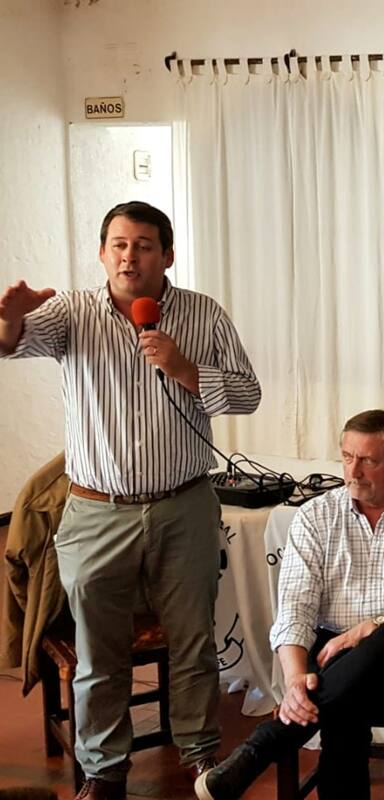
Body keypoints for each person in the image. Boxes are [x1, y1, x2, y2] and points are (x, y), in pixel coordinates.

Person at [0, 201, 261, 800]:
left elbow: (246, 394)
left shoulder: (202, 314)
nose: (128, 255)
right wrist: (10, 321)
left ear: (166, 255)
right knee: (99, 652)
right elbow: (11, 345)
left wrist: (185, 369)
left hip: (185, 505)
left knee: (194, 640)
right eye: (118, 244)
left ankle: (201, 757)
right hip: (96, 511)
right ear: (101, 253)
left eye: (143, 245)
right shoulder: (71, 314)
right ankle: (105, 770)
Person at [195, 409, 384, 800]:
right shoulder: (314, 517)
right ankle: (279, 732)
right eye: (346, 457)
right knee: (343, 701)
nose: (353, 472)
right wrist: (293, 682)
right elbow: (294, 609)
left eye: (369, 461)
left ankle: (262, 747)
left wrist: (368, 627)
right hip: (332, 658)